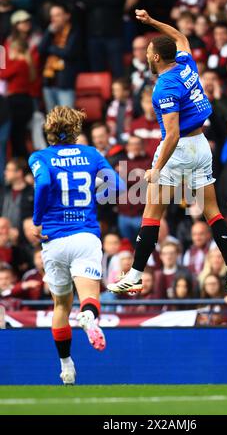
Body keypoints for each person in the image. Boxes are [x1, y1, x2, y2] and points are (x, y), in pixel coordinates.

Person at [108, 8, 227, 294]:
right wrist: (153, 22)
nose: (145, 55)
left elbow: (172, 134)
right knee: (212, 211)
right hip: (202, 145)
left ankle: (135, 274)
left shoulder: (163, 88)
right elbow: (180, 36)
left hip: (178, 149)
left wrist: (156, 169)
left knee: (153, 212)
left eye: (148, 51)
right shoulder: (186, 64)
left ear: (156, 57)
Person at [28, 106, 124, 385]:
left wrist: (37, 220)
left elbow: (44, 184)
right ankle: (89, 317)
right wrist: (92, 191)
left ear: (49, 132)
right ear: (75, 131)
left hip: (54, 240)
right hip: (85, 236)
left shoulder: (40, 157)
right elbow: (117, 185)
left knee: (60, 305)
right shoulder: (92, 154)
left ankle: (66, 366)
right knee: (89, 297)